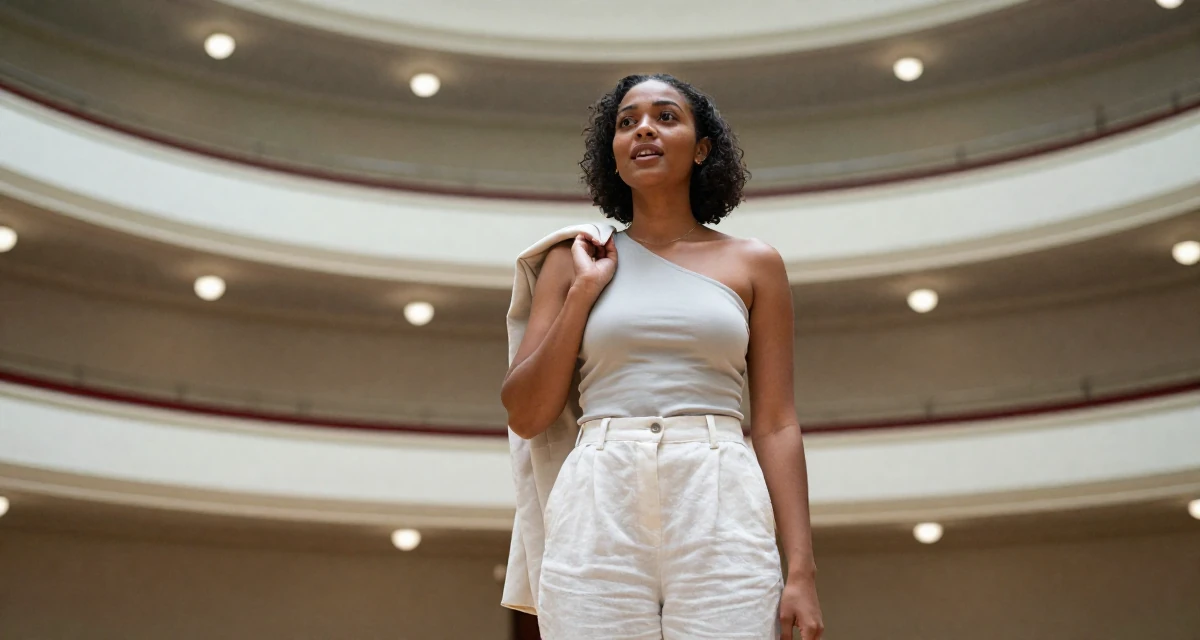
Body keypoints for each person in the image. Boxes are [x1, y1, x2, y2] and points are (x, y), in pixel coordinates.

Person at [501, 74, 823, 640]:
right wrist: (584, 291)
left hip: (719, 488)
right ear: (615, 155)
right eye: (627, 122)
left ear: (702, 149)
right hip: (600, 489)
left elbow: (775, 423)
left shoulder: (755, 264)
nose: (644, 128)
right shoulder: (572, 260)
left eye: (666, 116)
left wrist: (801, 569)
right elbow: (525, 414)